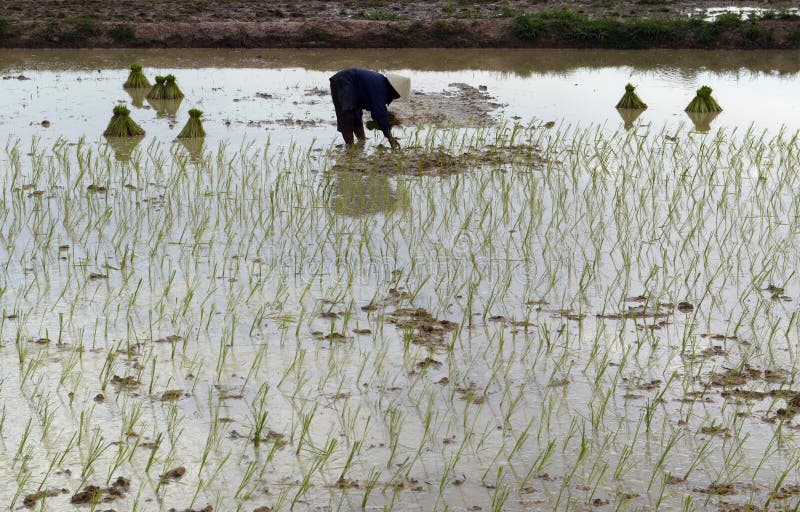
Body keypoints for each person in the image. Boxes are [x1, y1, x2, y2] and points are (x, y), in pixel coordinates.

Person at [329, 68, 409, 149]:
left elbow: (376, 110)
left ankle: (361, 144)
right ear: (395, 90)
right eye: (398, 95)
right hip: (343, 81)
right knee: (348, 116)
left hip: (354, 87)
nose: (397, 97)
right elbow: (380, 112)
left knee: (357, 117)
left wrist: (380, 123)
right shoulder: (380, 87)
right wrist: (389, 137)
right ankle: (350, 149)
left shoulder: (382, 84)